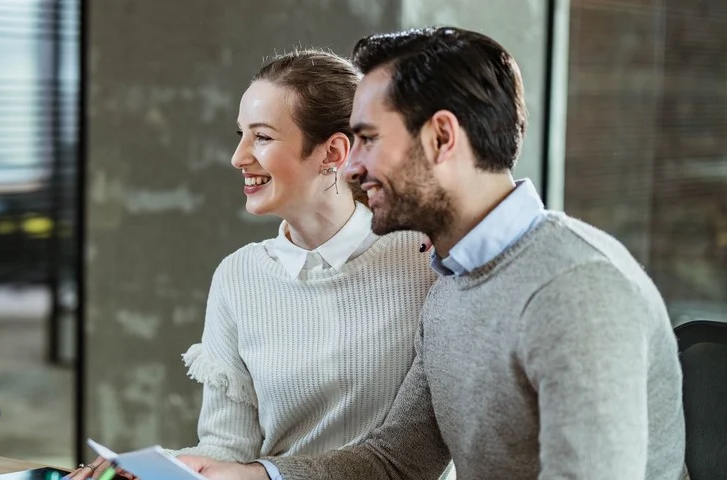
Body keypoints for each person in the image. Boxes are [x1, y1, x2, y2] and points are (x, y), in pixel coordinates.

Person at [180, 26, 686, 480]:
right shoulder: (452, 283)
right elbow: (397, 461)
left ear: (442, 137)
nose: (350, 167)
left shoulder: (575, 288)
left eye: (368, 140)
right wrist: (255, 475)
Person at [69, 49, 436, 480]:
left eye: (261, 137)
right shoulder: (238, 276)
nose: (238, 156)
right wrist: (154, 470)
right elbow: (228, 448)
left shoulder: (423, 261)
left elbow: (417, 454)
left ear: (333, 152)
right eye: (240, 134)